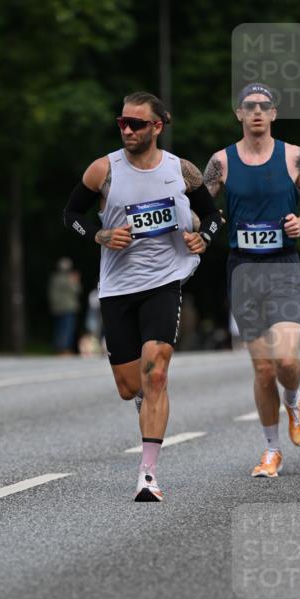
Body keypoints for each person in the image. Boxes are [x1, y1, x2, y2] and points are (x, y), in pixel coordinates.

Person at [63, 91, 223, 501]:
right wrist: (100, 234)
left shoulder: (180, 170)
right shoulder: (104, 170)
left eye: (135, 123)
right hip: (117, 288)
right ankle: (144, 403)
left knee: (157, 373)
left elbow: (214, 217)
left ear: (158, 126)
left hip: (164, 281)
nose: (127, 130)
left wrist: (202, 238)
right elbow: (71, 216)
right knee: (128, 385)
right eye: (122, 123)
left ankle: (147, 476)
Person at [202, 83, 300, 478]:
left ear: (274, 114)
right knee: (263, 368)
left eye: (263, 106)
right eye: (249, 106)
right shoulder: (221, 161)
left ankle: (294, 398)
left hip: (284, 266)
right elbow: (202, 206)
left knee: (286, 360)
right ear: (238, 114)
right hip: (243, 270)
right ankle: (271, 451)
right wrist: (201, 231)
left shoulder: (294, 155)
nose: (256, 112)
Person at [47, 258, 82, 355]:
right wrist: (76, 281)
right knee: (67, 329)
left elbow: (51, 294)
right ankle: (65, 349)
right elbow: (77, 290)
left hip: (57, 308)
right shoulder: (69, 279)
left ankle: (58, 349)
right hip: (69, 307)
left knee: (58, 329)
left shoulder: (55, 278)